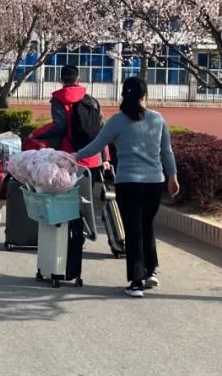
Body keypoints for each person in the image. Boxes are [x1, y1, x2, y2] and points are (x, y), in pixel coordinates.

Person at [69, 77, 178, 297]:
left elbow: (96, 146)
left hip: (128, 183)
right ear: (144, 95)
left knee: (134, 230)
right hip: (154, 183)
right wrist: (173, 176)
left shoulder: (117, 121)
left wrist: (75, 156)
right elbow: (167, 152)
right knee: (147, 225)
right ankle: (151, 271)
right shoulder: (158, 119)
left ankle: (137, 282)